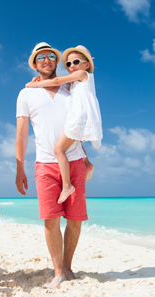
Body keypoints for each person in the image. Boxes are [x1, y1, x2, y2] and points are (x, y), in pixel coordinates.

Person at [16, 42, 88, 289]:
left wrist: (86, 157)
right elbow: (22, 133)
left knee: (75, 219)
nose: (46, 60)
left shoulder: (71, 86)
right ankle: (58, 271)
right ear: (35, 64)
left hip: (75, 159)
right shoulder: (26, 93)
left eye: (50, 56)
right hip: (45, 163)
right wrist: (19, 168)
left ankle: (68, 267)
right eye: (40, 57)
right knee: (51, 219)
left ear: (56, 61)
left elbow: (78, 124)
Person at [26, 45, 102, 204]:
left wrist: (33, 85)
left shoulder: (83, 74)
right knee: (74, 140)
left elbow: (58, 80)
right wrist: (39, 80)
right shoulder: (75, 82)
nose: (72, 66)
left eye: (76, 61)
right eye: (68, 64)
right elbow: (59, 85)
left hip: (79, 117)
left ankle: (67, 185)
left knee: (59, 148)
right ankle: (87, 164)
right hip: (81, 117)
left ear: (87, 64)